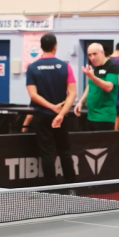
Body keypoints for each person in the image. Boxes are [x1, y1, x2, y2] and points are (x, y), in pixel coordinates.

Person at [25, 34, 77, 184]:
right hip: (61, 116)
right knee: (64, 151)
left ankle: (51, 187)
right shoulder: (65, 66)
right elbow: (72, 93)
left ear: (41, 47)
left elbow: (33, 95)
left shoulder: (32, 68)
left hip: (42, 115)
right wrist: (60, 113)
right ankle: (72, 185)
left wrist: (50, 107)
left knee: (47, 152)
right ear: (55, 46)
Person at [74, 43, 119, 131]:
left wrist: (92, 77)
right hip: (91, 115)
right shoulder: (93, 67)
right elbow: (90, 85)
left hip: (104, 116)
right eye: (90, 55)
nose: (92, 58)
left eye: (95, 54)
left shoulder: (112, 66)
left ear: (102, 52)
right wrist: (81, 102)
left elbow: (108, 87)